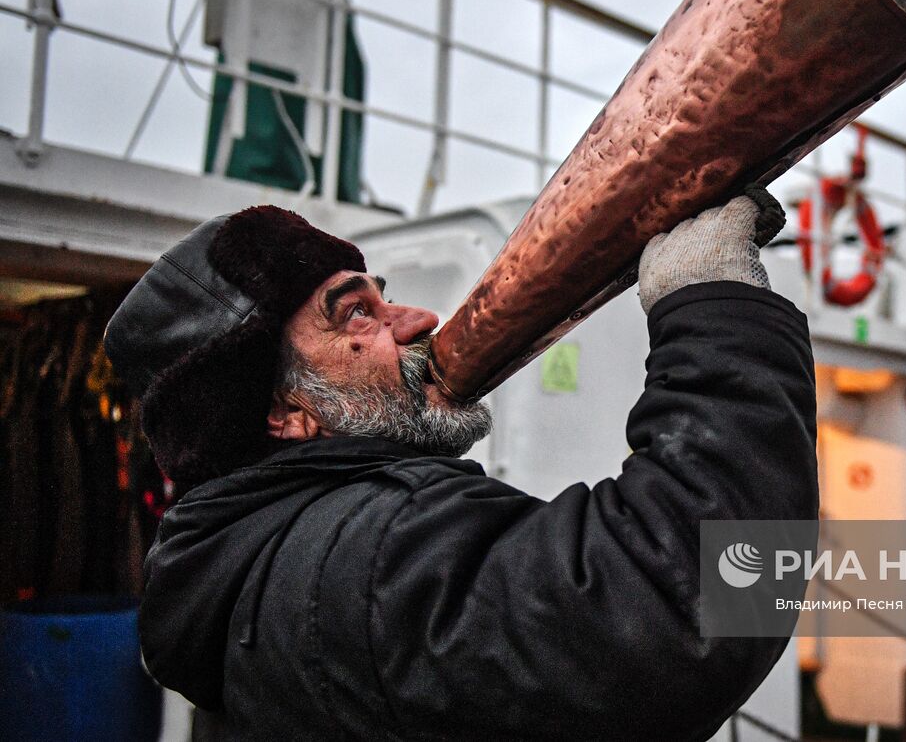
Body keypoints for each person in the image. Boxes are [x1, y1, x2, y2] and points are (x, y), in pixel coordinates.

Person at [102, 192, 818, 741]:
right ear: (284, 413)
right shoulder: (372, 557)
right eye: (355, 313)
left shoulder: (242, 560)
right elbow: (698, 605)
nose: (416, 321)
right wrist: (719, 309)